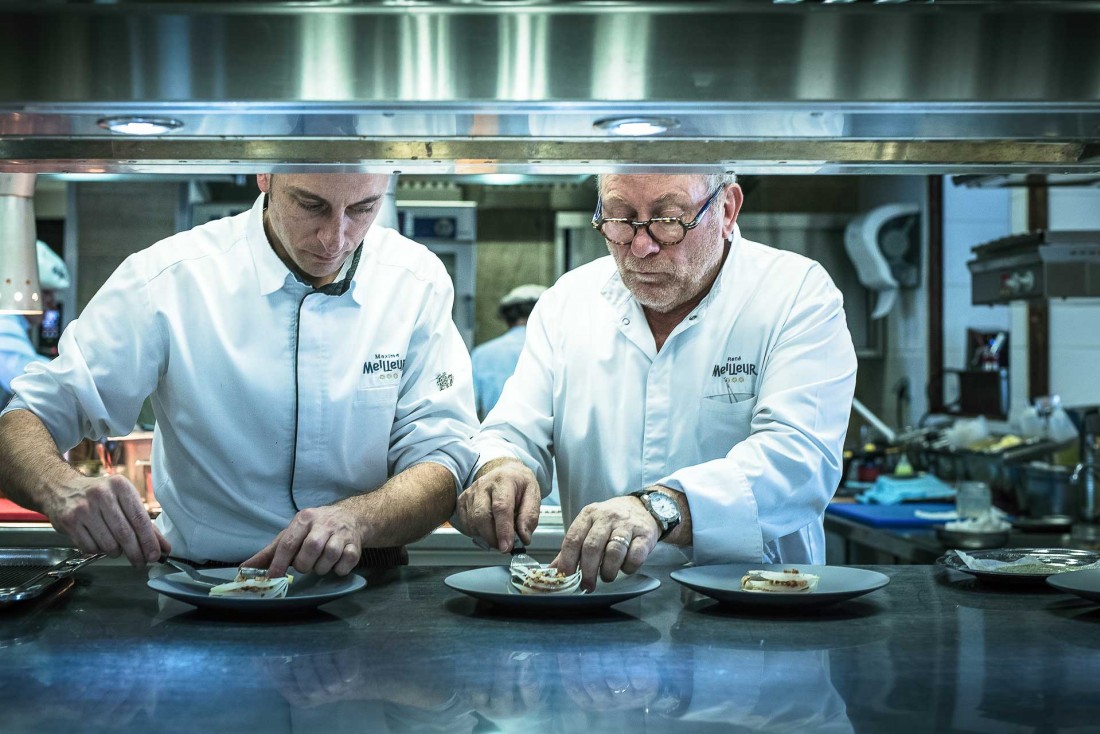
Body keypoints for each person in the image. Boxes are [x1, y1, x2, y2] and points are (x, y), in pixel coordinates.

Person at [0, 174, 479, 577]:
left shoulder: (415, 281)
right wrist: (61, 488)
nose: (335, 239)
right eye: (310, 205)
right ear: (265, 176)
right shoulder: (171, 278)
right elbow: (26, 418)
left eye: (363, 208)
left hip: (368, 590)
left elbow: (443, 459)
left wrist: (360, 520)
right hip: (202, 588)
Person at [455, 173, 857, 590]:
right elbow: (515, 429)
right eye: (620, 219)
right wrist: (501, 467)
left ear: (727, 210)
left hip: (754, 603)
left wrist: (662, 507)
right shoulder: (568, 302)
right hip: (602, 607)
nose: (641, 247)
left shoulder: (794, 294)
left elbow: (799, 459)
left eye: (668, 220)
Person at [0, 241, 70, 407]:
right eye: (46, 292)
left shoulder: (14, 324)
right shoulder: (4, 324)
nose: (52, 303)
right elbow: (31, 381)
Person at [470, 284, 546, 419]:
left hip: (494, 430)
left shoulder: (481, 354)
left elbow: (470, 407)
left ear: (506, 318)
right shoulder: (552, 351)